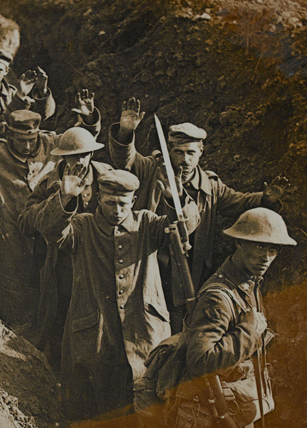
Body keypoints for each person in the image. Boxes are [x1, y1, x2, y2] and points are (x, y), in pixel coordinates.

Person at [30, 168, 200, 422]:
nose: (118, 210)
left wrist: (173, 199)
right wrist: (64, 200)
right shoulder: (82, 226)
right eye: (111, 203)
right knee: (98, 405)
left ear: (133, 201)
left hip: (143, 330)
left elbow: (183, 229)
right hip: (95, 334)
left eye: (123, 204)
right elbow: (52, 230)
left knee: (145, 398)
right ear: (100, 199)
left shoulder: (147, 223)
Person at [109, 99, 288, 333]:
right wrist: (126, 131)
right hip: (152, 263)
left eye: (191, 153)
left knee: (187, 323)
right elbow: (127, 160)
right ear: (169, 151)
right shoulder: (152, 170)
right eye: (179, 152)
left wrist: (267, 199)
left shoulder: (211, 186)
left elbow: (240, 203)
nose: (184, 160)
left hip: (193, 269)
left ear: (201, 152)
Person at [0, 90, 99, 330]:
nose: (28, 145)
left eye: (32, 139)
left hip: (40, 234)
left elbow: (81, 144)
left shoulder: (51, 143)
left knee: (38, 297)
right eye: (21, 140)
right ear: (10, 135)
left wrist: (89, 119)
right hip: (2, 236)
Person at [177, 207, 296, 428]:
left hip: (235, 409)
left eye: (273, 250)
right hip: (212, 418)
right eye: (258, 247)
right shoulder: (219, 296)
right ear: (239, 243)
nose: (266, 257)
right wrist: (249, 333)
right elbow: (199, 361)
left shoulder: (248, 283)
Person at [19, 121, 112, 369]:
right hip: (61, 264)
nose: (79, 162)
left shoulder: (106, 176)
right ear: (61, 157)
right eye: (72, 157)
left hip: (97, 264)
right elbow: (25, 223)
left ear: (91, 154)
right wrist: (58, 200)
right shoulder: (48, 182)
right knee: (60, 320)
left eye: (83, 155)